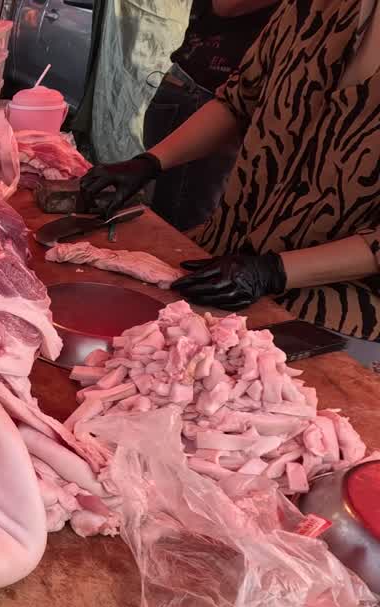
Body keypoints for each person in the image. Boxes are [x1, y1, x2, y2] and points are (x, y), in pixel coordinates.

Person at [81, 0, 380, 347]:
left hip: (332, 312)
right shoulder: (314, 6)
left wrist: (274, 271)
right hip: (221, 257)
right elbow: (238, 101)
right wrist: (150, 162)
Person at [142, 0, 278, 231]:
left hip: (246, 102)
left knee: (211, 221)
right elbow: (228, 5)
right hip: (203, 94)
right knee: (182, 226)